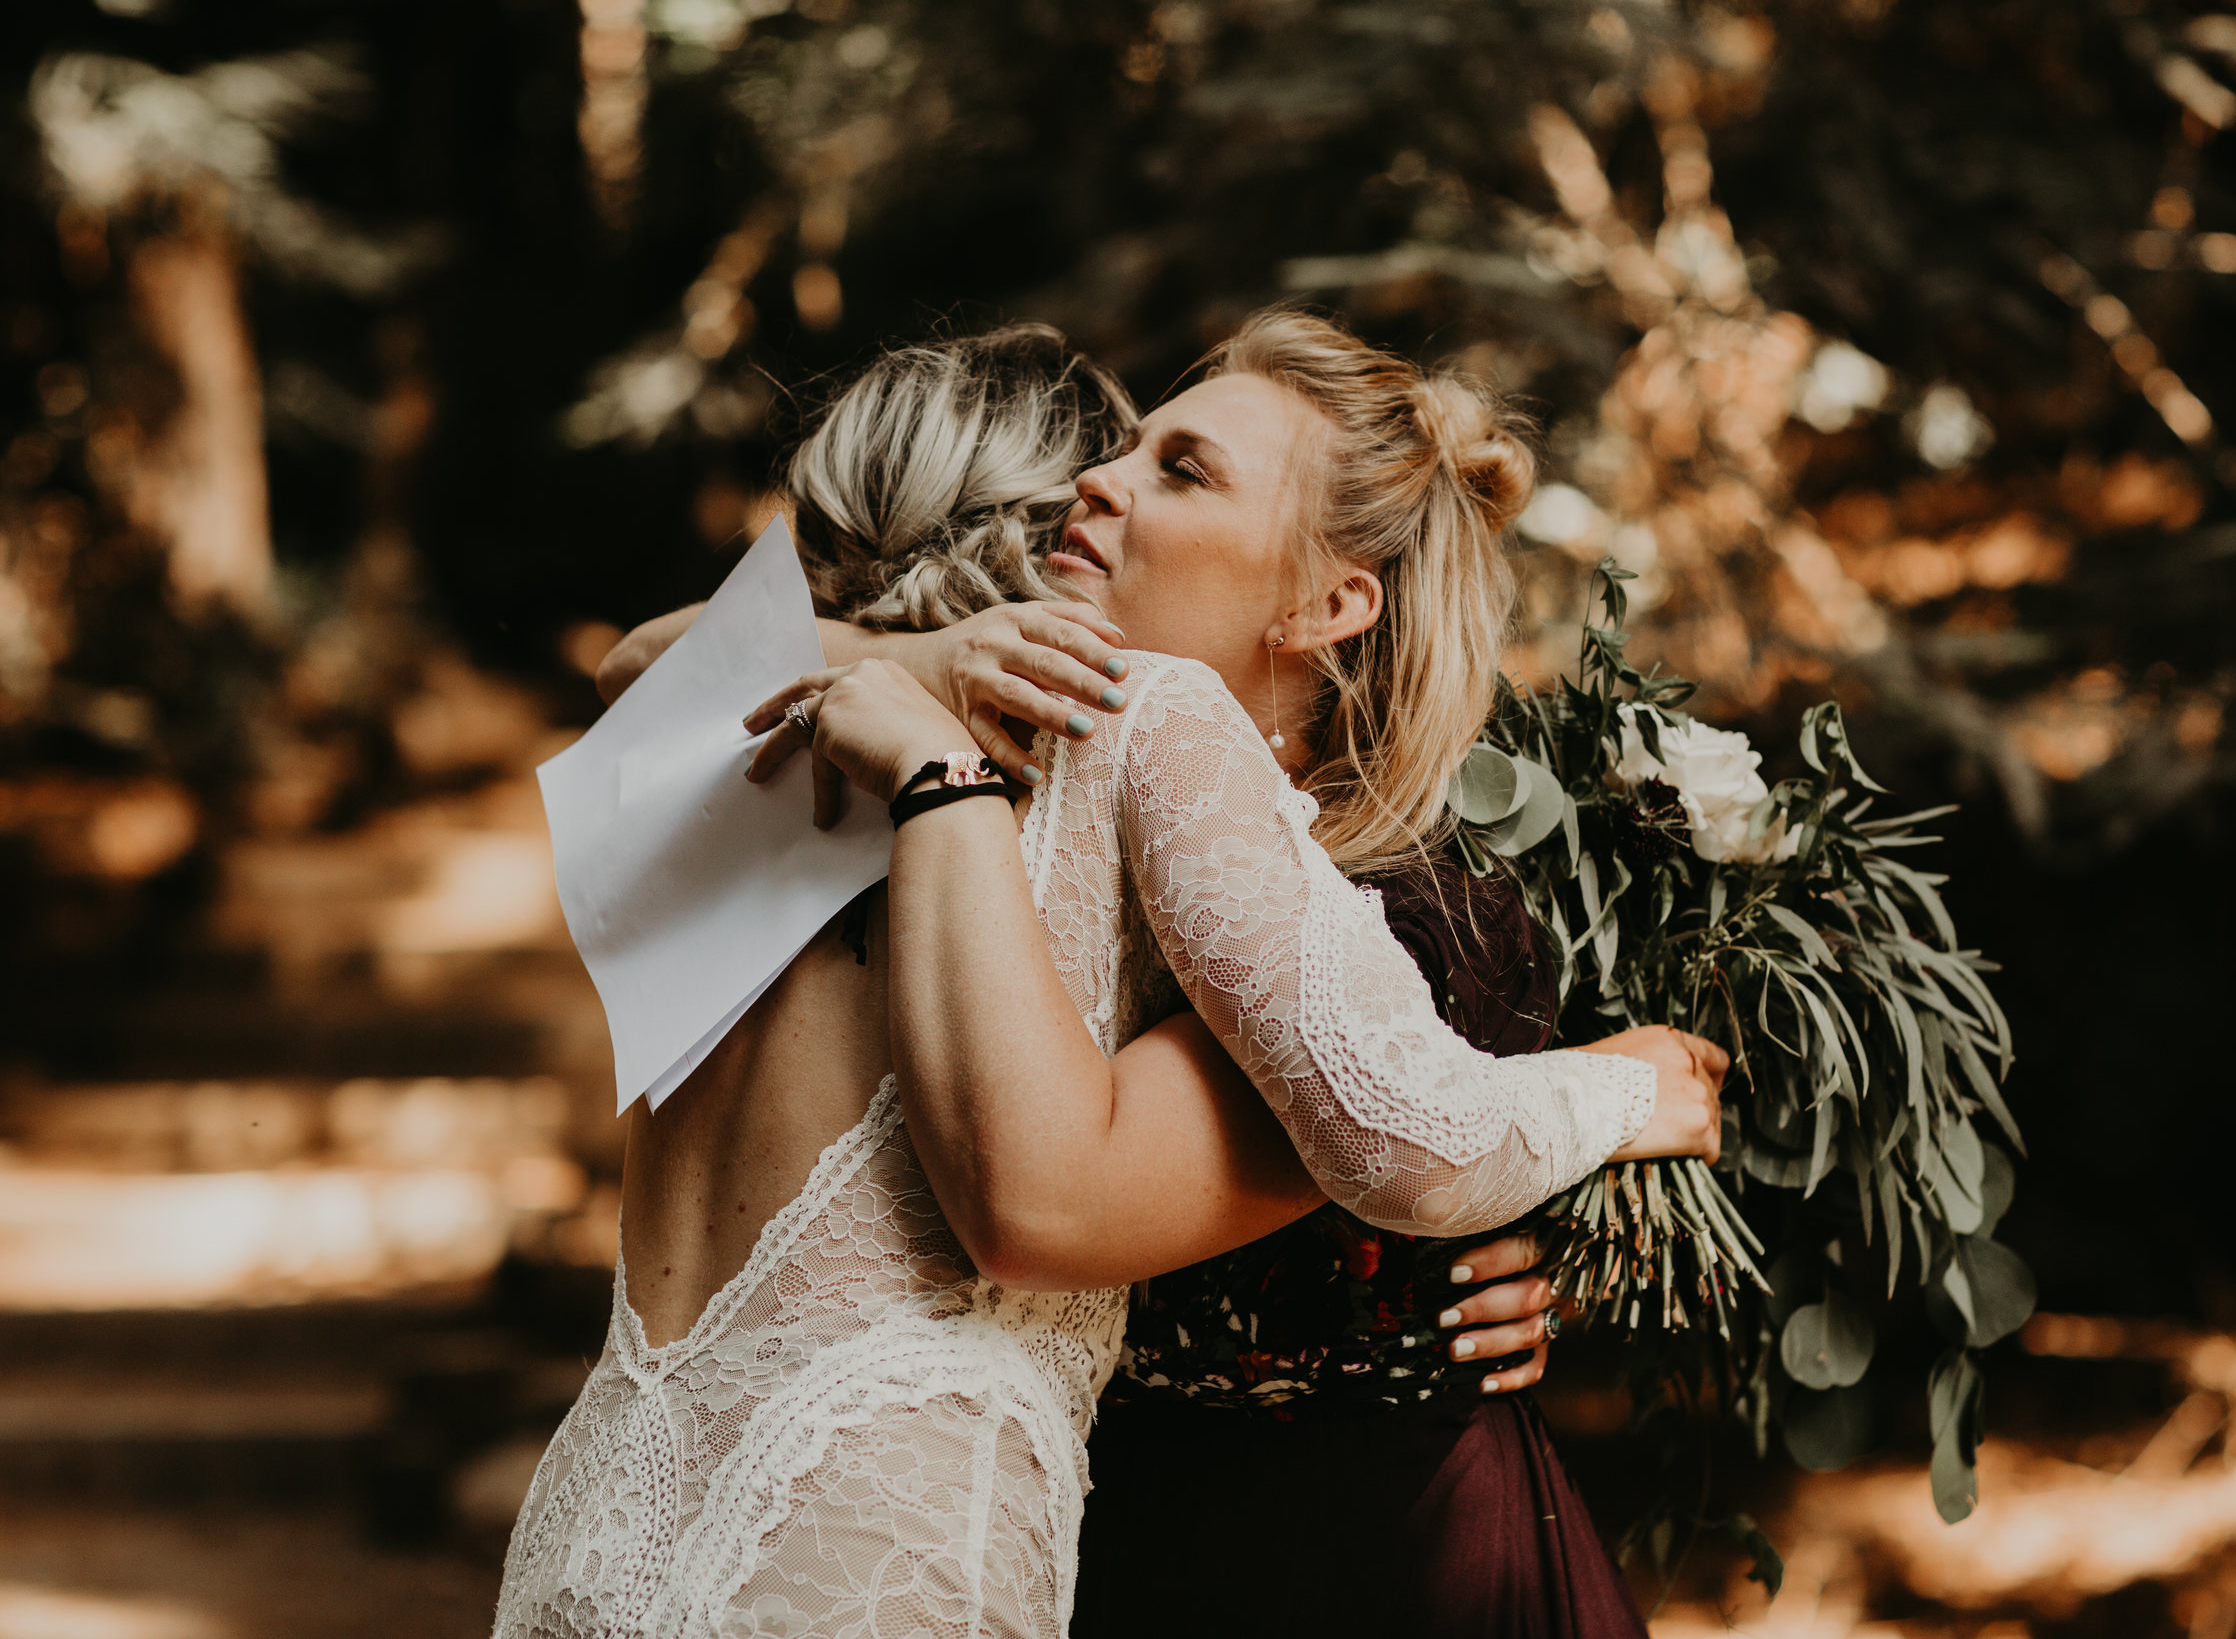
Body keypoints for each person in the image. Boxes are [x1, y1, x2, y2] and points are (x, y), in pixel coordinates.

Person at [493, 319, 1723, 1639]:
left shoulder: (789, 741)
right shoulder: (1074, 723)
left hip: (599, 1530)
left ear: (1330, 602)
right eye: (1122, 452)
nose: (1104, 483)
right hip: (883, 1547)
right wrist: (1616, 1094)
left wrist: (1497, 1243)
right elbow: (1361, 1139)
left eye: (1181, 470)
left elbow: (645, 671)